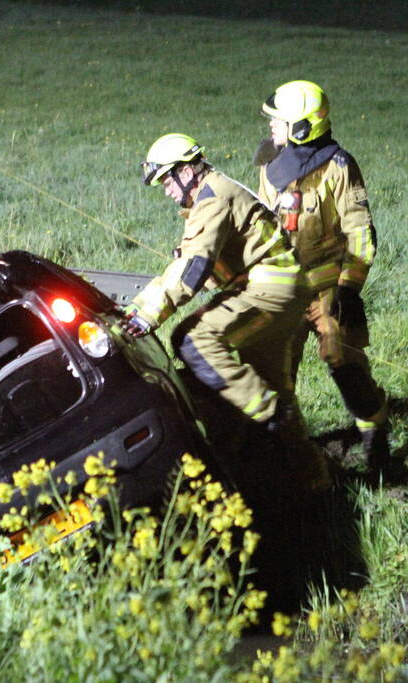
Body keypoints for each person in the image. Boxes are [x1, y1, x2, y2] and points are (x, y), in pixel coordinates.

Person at [126, 133, 331, 494]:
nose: (167, 192)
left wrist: (144, 316)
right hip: (280, 289)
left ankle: (262, 416)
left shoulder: (211, 197)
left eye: (167, 181)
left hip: (270, 289)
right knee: (270, 385)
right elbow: (196, 263)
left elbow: (193, 267)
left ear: (187, 169)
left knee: (192, 339)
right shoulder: (213, 194)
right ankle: (311, 479)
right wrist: (139, 306)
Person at [254, 80, 393, 474]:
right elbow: (262, 224)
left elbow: (361, 233)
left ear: (301, 127)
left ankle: (377, 444)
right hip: (283, 287)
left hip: (329, 290)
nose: (271, 128)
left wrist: (350, 288)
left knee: (346, 366)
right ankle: (287, 456)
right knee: (275, 372)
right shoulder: (270, 164)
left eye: (278, 121)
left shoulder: (339, 166)